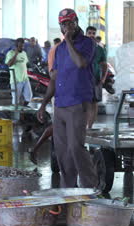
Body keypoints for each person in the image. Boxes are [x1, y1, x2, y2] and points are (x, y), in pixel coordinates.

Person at [37, 8, 98, 188]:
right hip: (60, 104)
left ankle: (90, 187)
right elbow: (54, 78)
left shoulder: (87, 43)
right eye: (63, 23)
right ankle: (69, 191)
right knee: (63, 152)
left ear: (77, 21)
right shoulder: (60, 49)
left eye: (70, 22)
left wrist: (69, 41)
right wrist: (43, 104)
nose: (67, 26)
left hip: (78, 103)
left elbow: (81, 63)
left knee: (75, 147)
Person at [86, 26, 108, 129]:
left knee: (94, 104)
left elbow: (104, 64)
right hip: (82, 80)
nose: (91, 35)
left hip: (95, 79)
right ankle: (82, 126)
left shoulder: (100, 49)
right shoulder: (81, 47)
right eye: (89, 33)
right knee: (84, 103)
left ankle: (89, 127)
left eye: (93, 33)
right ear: (86, 34)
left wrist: (103, 78)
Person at [6, 38, 32, 105]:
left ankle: (23, 112)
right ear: (16, 46)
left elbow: (25, 64)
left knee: (29, 97)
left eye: (23, 46)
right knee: (15, 100)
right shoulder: (10, 53)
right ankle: (15, 114)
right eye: (20, 46)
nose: (22, 47)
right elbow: (9, 64)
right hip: (16, 81)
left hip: (25, 79)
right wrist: (16, 54)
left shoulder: (24, 53)